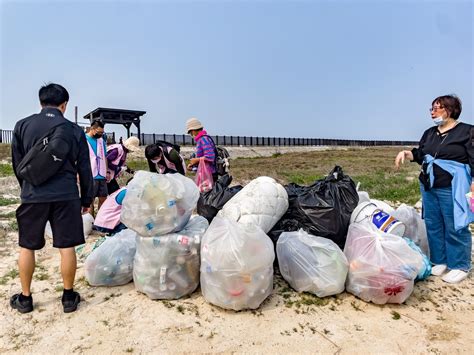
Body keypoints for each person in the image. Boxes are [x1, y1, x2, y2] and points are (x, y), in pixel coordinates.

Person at [10, 83, 93, 313]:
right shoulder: (74, 131)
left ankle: (25, 299)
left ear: (40, 103)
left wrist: (26, 189)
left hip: (33, 195)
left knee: (27, 246)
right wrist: (86, 199)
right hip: (66, 195)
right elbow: (84, 168)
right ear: (64, 105)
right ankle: (68, 297)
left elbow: (18, 165)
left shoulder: (22, 125)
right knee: (67, 246)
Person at [395, 95, 474, 284]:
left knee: (455, 224)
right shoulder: (430, 132)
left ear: (450, 110)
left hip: (453, 186)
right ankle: (440, 260)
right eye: (431, 108)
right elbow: (422, 154)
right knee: (433, 223)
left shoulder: (467, 132)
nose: (432, 112)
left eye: (437, 108)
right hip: (429, 185)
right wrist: (407, 153)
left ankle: (460, 264)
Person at [85, 119, 108, 215]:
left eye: (102, 132)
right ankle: (90, 219)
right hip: (90, 174)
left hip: (101, 174)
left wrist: (106, 171)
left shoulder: (101, 140)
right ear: (93, 129)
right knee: (90, 199)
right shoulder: (83, 139)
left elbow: (105, 156)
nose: (101, 134)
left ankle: (99, 219)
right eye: (99, 132)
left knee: (103, 197)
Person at [185, 117, 217, 181]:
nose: (191, 135)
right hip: (205, 174)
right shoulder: (201, 139)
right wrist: (192, 166)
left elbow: (210, 157)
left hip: (209, 175)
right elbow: (203, 161)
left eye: (190, 132)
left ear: (193, 130)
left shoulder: (203, 139)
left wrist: (196, 160)